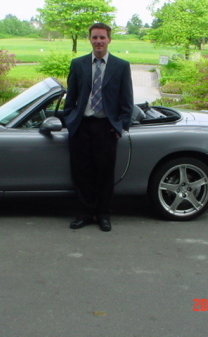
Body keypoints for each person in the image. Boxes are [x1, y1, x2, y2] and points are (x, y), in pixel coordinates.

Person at [63, 22, 134, 232]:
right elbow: (71, 98)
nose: (98, 41)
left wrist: (120, 126)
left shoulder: (121, 66)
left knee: (104, 173)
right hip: (82, 127)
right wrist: (70, 120)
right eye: (95, 37)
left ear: (109, 39)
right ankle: (85, 213)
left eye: (102, 37)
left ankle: (103, 215)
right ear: (90, 40)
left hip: (106, 128)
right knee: (81, 172)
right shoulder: (78, 64)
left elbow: (126, 101)